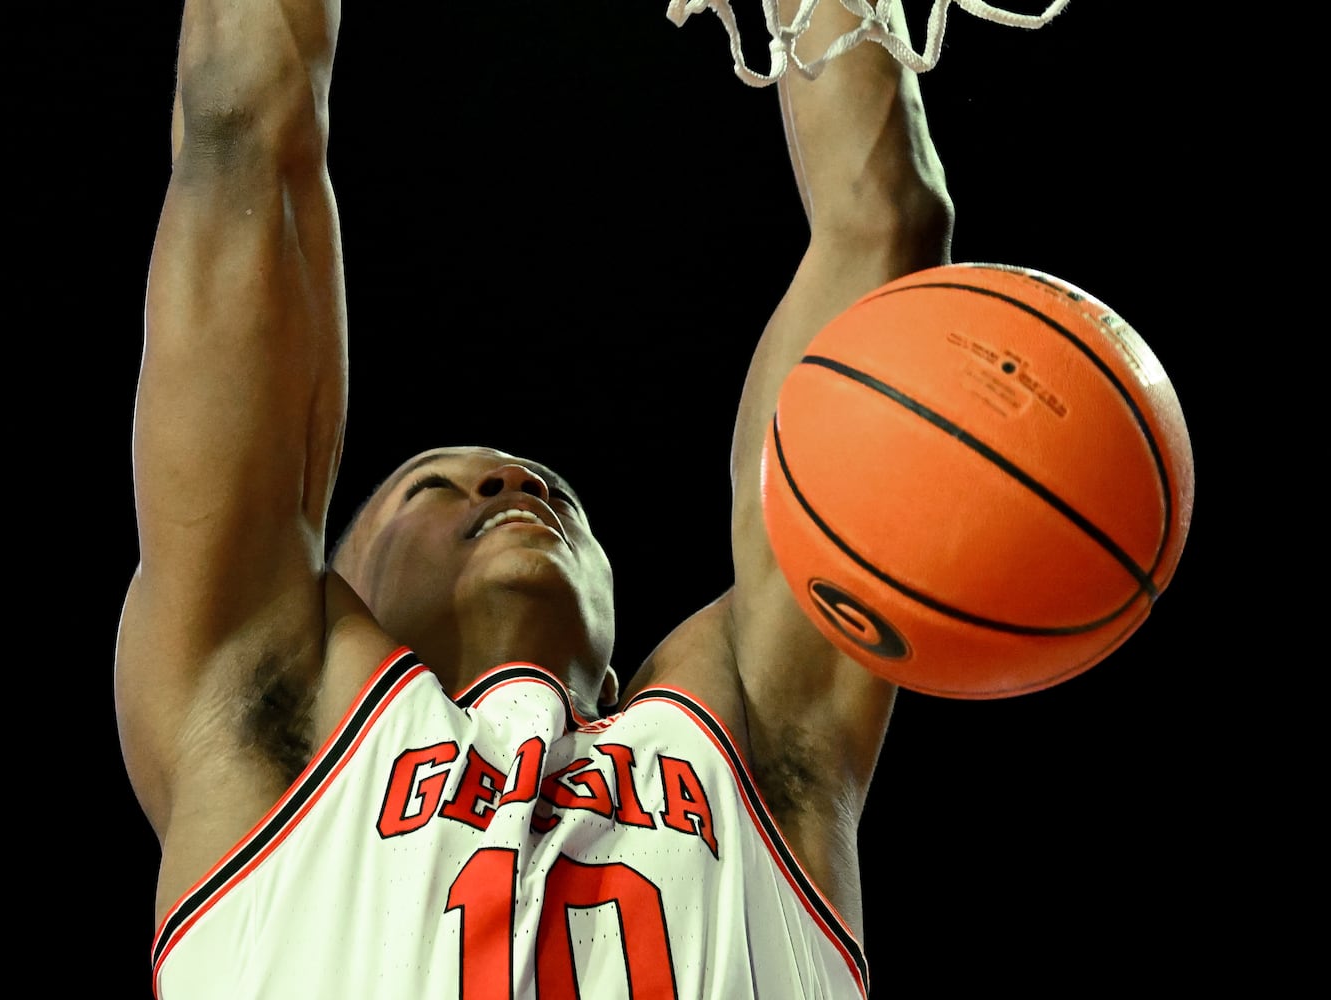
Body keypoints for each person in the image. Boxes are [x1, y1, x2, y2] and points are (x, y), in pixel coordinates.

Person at [116, 1, 961, 996]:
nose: (510, 484)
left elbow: (883, 226)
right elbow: (238, 136)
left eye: (550, 490)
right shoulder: (271, 722)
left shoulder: (748, 736)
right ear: (345, 591)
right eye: (434, 487)